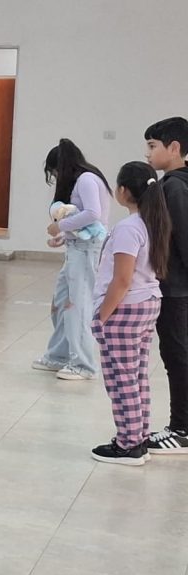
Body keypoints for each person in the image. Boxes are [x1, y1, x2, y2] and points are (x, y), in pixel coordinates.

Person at [90, 161, 171, 465]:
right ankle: (137, 436)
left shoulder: (128, 228)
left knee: (121, 379)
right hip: (148, 303)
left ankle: (128, 444)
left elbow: (122, 279)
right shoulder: (153, 222)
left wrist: (103, 316)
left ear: (123, 191)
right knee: (136, 376)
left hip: (126, 309)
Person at [33, 139, 112, 380]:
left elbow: (93, 214)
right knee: (61, 302)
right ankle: (59, 355)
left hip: (87, 250)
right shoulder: (83, 179)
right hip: (77, 247)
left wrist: (60, 227)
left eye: (55, 172)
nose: (56, 177)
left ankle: (84, 365)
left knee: (78, 305)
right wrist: (64, 236)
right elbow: (85, 219)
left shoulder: (87, 179)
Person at [143, 117, 188, 454]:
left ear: (174, 148)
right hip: (176, 286)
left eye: (152, 146)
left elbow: (181, 239)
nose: (148, 153)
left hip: (176, 289)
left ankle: (181, 429)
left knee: (177, 355)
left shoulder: (173, 186)